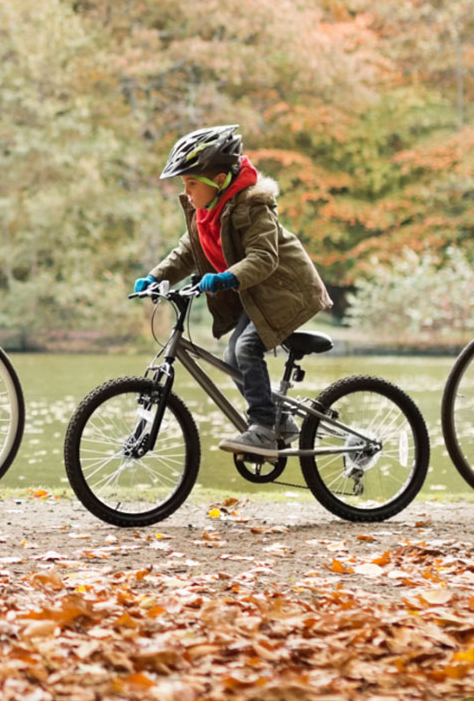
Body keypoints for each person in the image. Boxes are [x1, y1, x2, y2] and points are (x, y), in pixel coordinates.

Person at [137, 125, 333, 456]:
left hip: (286, 292)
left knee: (243, 349)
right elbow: (188, 252)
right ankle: (279, 419)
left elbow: (264, 257)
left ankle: (263, 428)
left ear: (220, 180)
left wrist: (226, 277)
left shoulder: (254, 206)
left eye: (192, 183)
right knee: (232, 355)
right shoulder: (206, 214)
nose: (187, 191)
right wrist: (155, 276)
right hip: (257, 297)